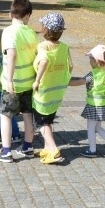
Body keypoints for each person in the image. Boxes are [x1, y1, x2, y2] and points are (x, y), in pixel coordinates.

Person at [0, 0, 38, 163]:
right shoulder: (31, 32)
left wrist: (9, 79)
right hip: (28, 81)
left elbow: (11, 54)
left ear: (11, 13)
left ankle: (6, 150)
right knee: (27, 115)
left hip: (13, 82)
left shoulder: (9, 32)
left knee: (6, 115)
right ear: (28, 15)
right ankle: (28, 146)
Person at [31, 12, 73, 165]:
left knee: (41, 123)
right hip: (57, 91)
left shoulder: (42, 46)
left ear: (44, 30)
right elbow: (71, 66)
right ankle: (47, 148)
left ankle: (54, 150)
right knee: (49, 120)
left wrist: (37, 80)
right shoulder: (65, 47)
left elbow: (43, 62)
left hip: (43, 92)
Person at [69, 44, 105, 158]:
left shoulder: (93, 74)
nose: (89, 61)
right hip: (103, 105)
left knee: (91, 129)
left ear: (96, 61)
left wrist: (66, 83)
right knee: (98, 127)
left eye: (90, 59)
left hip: (93, 106)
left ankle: (92, 150)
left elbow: (80, 81)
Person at [0, 29, 22, 144]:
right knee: (2, 113)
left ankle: (13, 133)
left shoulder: (6, 59)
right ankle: (4, 131)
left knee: (4, 113)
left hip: (2, 90)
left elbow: (2, 73)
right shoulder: (2, 57)